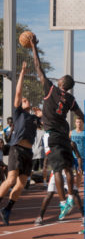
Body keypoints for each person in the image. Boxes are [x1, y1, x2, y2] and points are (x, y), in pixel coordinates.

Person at [30, 36, 85, 220]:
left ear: (61, 83)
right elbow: (81, 116)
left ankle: (63, 202)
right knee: (68, 168)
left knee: (57, 171)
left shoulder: (51, 89)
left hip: (52, 134)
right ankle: (70, 196)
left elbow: (38, 66)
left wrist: (33, 46)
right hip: (64, 135)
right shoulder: (70, 99)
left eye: (60, 77)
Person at [0, 62, 41, 225]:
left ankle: (7, 208)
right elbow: (18, 92)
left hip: (28, 153)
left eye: (26, 100)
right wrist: (22, 72)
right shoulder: (18, 114)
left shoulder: (34, 118)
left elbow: (48, 123)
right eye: (23, 100)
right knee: (10, 180)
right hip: (17, 149)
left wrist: (42, 114)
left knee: (22, 184)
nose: (24, 100)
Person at [70, 117, 85, 188]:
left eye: (80, 122)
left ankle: (78, 189)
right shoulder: (71, 133)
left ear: (83, 123)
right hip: (73, 157)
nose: (78, 124)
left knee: (80, 173)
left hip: (82, 157)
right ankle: (74, 188)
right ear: (75, 123)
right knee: (73, 173)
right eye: (77, 122)